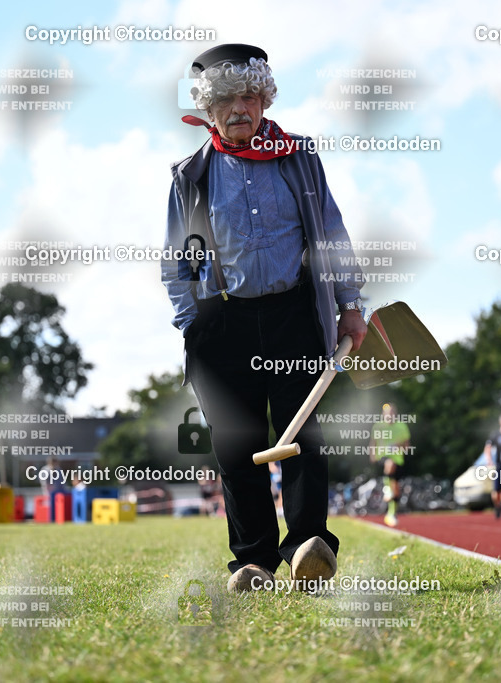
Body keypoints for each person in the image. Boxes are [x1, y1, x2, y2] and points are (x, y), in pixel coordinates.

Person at [163, 44, 368, 592]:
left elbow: (332, 235)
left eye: (250, 96)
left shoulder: (300, 157)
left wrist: (351, 306)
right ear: (209, 109)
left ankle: (308, 547)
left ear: (264, 99)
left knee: (308, 434)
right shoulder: (191, 177)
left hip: (292, 313)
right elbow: (174, 263)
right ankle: (253, 562)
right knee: (237, 447)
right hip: (220, 323)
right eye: (227, 98)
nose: (240, 108)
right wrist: (194, 327)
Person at [369, 403, 411, 527]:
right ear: (383, 414)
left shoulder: (402, 426)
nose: (389, 415)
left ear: (395, 414)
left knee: (396, 489)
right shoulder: (378, 426)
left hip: (398, 460)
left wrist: (399, 446)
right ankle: (387, 489)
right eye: (387, 413)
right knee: (389, 463)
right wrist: (372, 455)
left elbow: (407, 446)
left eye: (392, 412)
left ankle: (391, 514)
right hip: (382, 458)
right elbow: (373, 442)